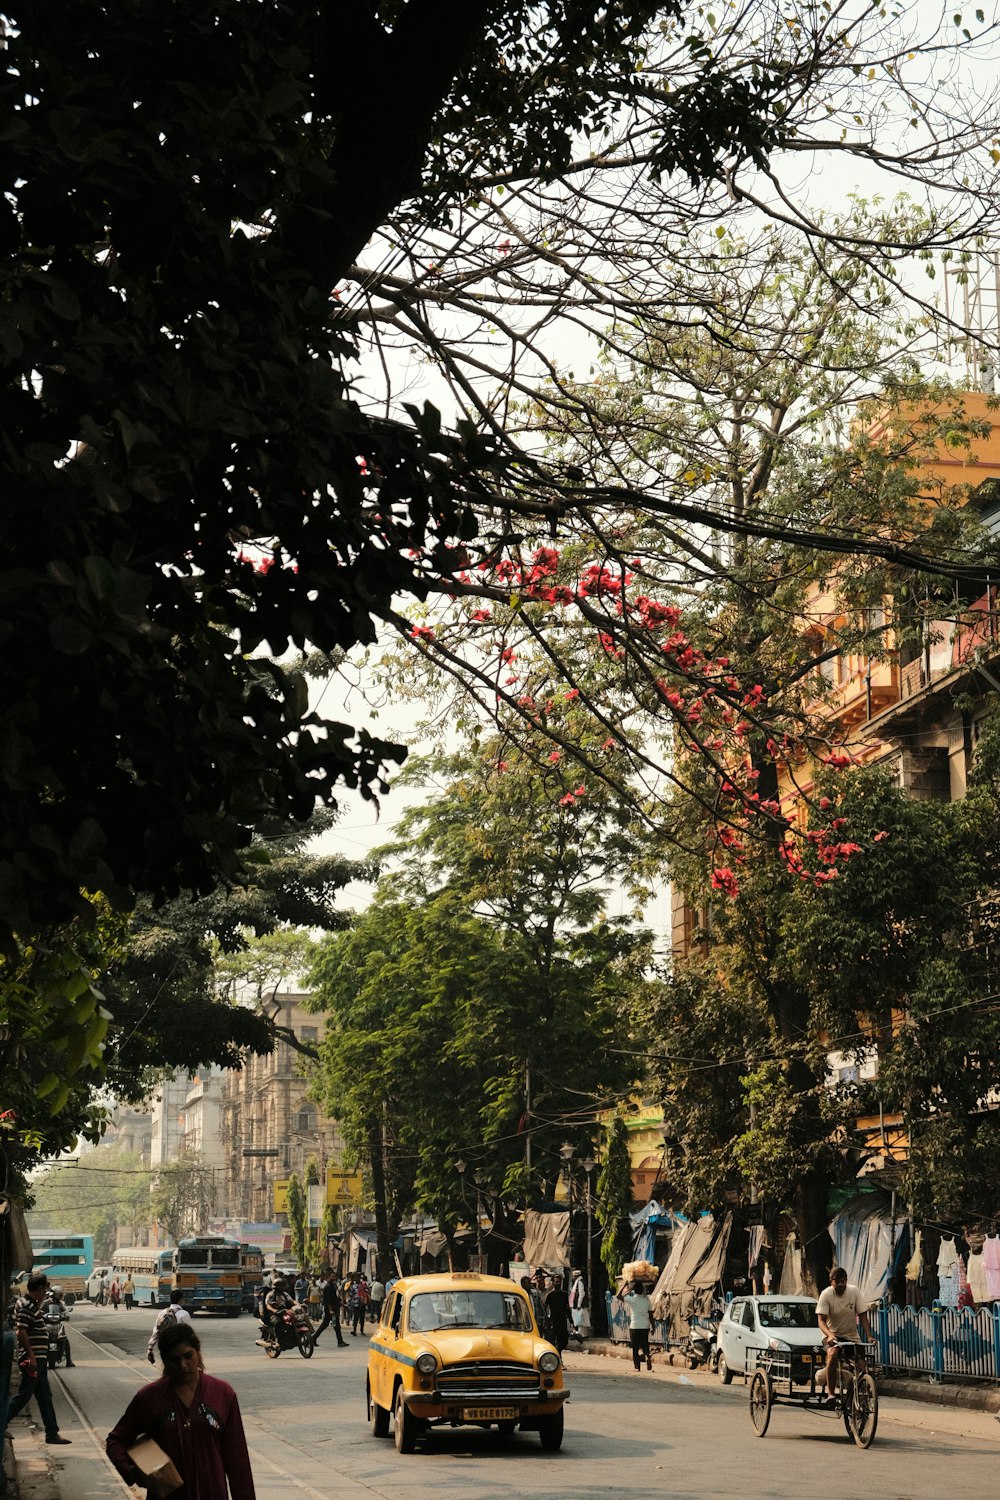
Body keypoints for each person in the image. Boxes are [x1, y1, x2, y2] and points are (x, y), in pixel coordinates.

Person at [107, 1322, 256, 1500]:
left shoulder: (222, 1394)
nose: (183, 1365)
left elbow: (237, 1460)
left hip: (212, 1492)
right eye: (174, 1359)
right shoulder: (149, 1398)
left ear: (198, 1351)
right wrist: (130, 1471)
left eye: (188, 1356)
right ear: (164, 1359)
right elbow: (116, 1440)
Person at [7, 1272, 72, 1444]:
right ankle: (2, 1422)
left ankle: (52, 1433)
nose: (46, 1293)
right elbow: (21, 1331)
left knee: (45, 1396)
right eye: (45, 1289)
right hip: (34, 1359)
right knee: (24, 1394)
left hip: (39, 1359)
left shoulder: (31, 1304)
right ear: (39, 1288)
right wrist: (32, 1357)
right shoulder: (27, 1305)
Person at [817, 1266, 872, 1404]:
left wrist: (869, 1336)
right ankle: (831, 1394)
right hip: (832, 1336)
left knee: (861, 1364)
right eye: (837, 1282)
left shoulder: (854, 1292)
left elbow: (863, 1316)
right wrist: (829, 1335)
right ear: (831, 1282)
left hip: (852, 1336)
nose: (841, 1285)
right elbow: (821, 1321)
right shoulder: (826, 1294)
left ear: (846, 1280)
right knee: (832, 1354)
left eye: (843, 1281)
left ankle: (861, 1393)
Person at [147, 1289, 193, 1364]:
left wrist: (150, 1348)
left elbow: (156, 1331)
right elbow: (190, 1335)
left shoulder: (162, 1313)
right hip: (179, 1348)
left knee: (168, 1369)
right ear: (180, 1300)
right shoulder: (184, 1314)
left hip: (165, 1347)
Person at [618, 1279, 654, 1371]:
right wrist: (652, 1326)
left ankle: (637, 1367)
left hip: (635, 1326)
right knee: (645, 1344)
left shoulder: (632, 1299)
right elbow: (650, 1314)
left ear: (634, 1290)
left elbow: (618, 1296)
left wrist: (625, 1286)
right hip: (645, 1326)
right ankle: (647, 1356)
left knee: (635, 1348)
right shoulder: (647, 1300)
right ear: (642, 1290)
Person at [42, 1285, 75, 1368]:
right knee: (41, 1340)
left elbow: (65, 1311)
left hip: (57, 1325)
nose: (61, 1296)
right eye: (60, 1294)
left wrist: (66, 1315)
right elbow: (40, 1310)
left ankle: (69, 1360)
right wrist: (42, 1315)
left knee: (65, 1340)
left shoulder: (60, 1304)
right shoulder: (46, 1303)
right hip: (47, 1325)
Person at [315, 1272, 347, 1347]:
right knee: (335, 1326)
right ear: (328, 1277)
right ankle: (340, 1341)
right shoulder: (328, 1287)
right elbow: (328, 1300)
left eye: (335, 1276)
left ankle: (313, 1338)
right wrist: (330, 1309)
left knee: (327, 1325)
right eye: (332, 1276)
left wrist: (341, 1303)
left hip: (334, 1307)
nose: (334, 1278)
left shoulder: (333, 1285)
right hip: (330, 1309)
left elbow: (334, 1298)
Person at [543, 1274, 571, 1358]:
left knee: (564, 1341)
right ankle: (558, 1357)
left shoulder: (565, 1295)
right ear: (553, 1282)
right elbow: (545, 1307)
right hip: (553, 1321)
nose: (558, 1283)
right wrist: (547, 1319)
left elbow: (567, 1309)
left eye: (559, 1282)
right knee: (556, 1340)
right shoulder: (550, 1295)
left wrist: (571, 1321)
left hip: (563, 1320)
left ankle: (558, 1353)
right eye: (556, 1282)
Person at [568, 1269, 588, 1343]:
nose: (573, 1278)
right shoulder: (580, 1281)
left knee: (580, 1321)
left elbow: (581, 1294)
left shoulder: (580, 1282)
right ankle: (581, 1335)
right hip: (578, 1304)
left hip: (579, 1305)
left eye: (574, 1276)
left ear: (576, 1276)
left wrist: (579, 1304)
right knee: (579, 1320)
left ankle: (581, 1336)